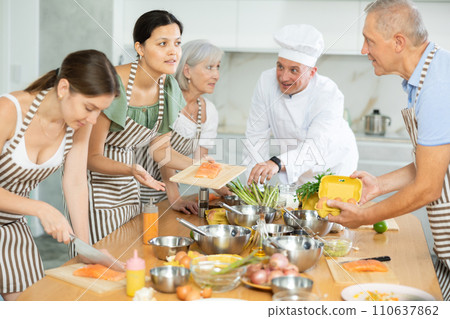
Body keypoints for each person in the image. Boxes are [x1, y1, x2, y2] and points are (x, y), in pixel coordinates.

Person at [327, 0, 450, 300]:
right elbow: (433, 163)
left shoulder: (436, 87)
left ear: (398, 42)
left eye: (369, 41)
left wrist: (363, 216)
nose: (363, 50)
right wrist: (379, 185)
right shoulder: (423, 80)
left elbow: (429, 187)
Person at [0, 49, 120, 301]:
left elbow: (75, 182)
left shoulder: (80, 124)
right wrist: (41, 208)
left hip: (10, 225)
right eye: (89, 107)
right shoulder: (9, 111)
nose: (93, 119)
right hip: (20, 214)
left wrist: (86, 248)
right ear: (63, 87)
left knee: (29, 305)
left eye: (100, 110)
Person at [87, 10, 194, 243]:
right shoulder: (113, 84)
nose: (173, 51)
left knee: (131, 251)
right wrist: (129, 169)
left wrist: (204, 169)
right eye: (162, 43)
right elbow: (90, 156)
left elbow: (160, 151)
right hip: (96, 185)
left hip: (130, 181)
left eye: (177, 43)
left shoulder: (168, 87)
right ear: (140, 48)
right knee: (104, 258)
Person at [243, 24, 358, 186]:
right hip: (291, 165)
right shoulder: (266, 82)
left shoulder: (328, 93)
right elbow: (256, 135)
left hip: (333, 167)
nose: (283, 77)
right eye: (280, 66)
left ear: (312, 73)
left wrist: (277, 162)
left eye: (294, 70)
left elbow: (316, 148)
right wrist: (254, 185)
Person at [138, 39, 230, 215]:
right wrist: (175, 198)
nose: (216, 75)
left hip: (169, 191)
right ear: (187, 70)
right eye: (209, 67)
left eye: (218, 67)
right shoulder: (165, 100)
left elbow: (200, 162)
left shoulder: (208, 110)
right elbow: (163, 153)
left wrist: (223, 188)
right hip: (141, 188)